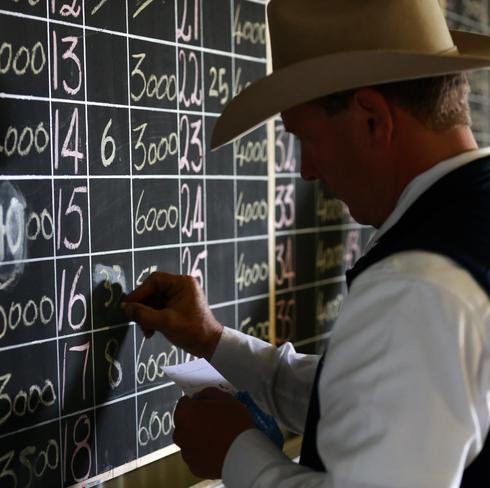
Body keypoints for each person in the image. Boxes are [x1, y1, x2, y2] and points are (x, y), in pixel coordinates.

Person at [122, 1, 490, 486]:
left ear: (371, 120)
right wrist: (214, 341)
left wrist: (235, 454)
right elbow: (382, 401)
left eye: (306, 138)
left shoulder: (417, 287)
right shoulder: (466, 230)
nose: (306, 171)